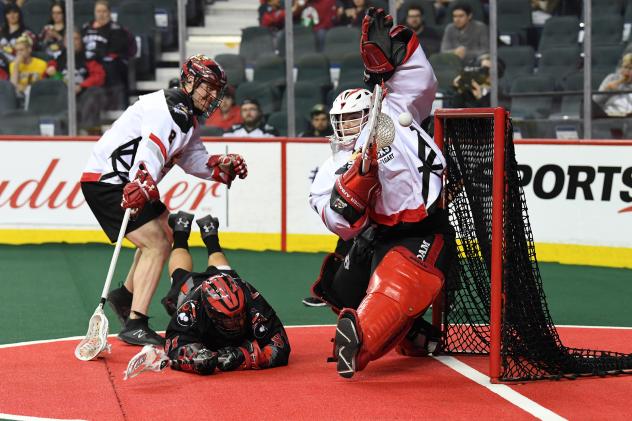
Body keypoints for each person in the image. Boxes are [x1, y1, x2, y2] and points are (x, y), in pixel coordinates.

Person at [308, 8, 454, 378]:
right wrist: (354, 186)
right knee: (340, 288)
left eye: (353, 118)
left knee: (400, 280)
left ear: (370, 110)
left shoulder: (393, 110)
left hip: (423, 224)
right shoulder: (333, 165)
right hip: (379, 233)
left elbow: (422, 82)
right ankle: (407, 330)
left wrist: (394, 59)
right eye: (340, 121)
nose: (346, 128)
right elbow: (337, 220)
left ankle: (361, 341)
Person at [80, 54, 249, 346]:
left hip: (126, 181)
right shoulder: (169, 108)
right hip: (108, 182)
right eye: (206, 87)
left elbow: (192, 157)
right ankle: (135, 322)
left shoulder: (186, 114)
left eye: (215, 91)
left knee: (165, 229)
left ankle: (125, 296)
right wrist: (143, 180)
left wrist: (220, 166)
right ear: (189, 80)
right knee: (156, 244)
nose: (211, 96)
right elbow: (152, 148)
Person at [159, 211, 291, 374]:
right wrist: (196, 357)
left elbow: (281, 346)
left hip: (224, 282)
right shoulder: (190, 309)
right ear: (210, 313)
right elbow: (174, 346)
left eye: (238, 315)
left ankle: (210, 235)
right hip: (193, 288)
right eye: (227, 319)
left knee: (222, 271)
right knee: (179, 274)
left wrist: (247, 357)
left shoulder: (251, 298)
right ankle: (181, 231)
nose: (236, 323)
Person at [46, 29, 106, 130]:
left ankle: (86, 129)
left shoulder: (89, 57)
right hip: (62, 94)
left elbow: (99, 76)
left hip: (83, 94)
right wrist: (49, 72)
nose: (72, 42)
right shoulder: (57, 58)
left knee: (95, 92)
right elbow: (46, 75)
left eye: (76, 39)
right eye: (69, 39)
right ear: (64, 42)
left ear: (81, 41)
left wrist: (81, 86)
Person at [81, 0, 136, 109]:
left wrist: (93, 56)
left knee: (110, 65)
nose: (101, 14)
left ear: (109, 13)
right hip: (85, 62)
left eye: (104, 11)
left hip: (104, 63)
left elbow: (112, 51)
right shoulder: (86, 27)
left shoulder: (116, 29)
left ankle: (113, 105)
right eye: (98, 11)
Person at [593, 53, 632, 117]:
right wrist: (607, 90)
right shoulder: (612, 78)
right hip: (611, 118)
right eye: (625, 67)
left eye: (630, 68)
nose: (626, 71)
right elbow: (595, 102)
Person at [9, 34, 46, 100]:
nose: (19, 53)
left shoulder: (42, 64)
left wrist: (23, 88)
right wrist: (16, 65)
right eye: (17, 50)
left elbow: (42, 85)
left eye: (21, 50)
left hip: (37, 96)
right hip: (19, 97)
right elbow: (13, 85)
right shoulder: (13, 65)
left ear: (29, 49)